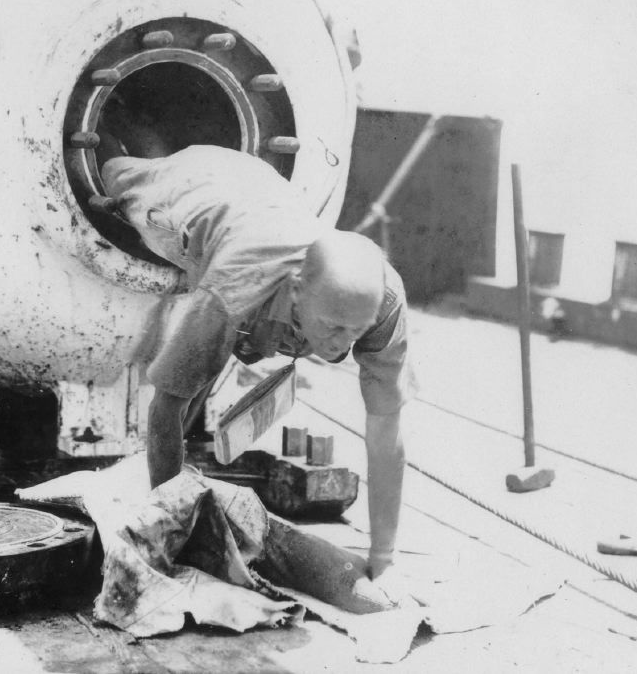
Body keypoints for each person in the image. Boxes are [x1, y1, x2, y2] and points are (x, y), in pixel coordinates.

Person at [102, 144, 410, 581]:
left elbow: (386, 427)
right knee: (112, 172)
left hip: (263, 191)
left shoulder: (385, 302)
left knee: (214, 356)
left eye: (356, 331)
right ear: (298, 290)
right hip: (192, 187)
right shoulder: (232, 291)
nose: (343, 343)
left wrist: (384, 551)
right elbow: (165, 408)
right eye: (332, 327)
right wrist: (173, 529)